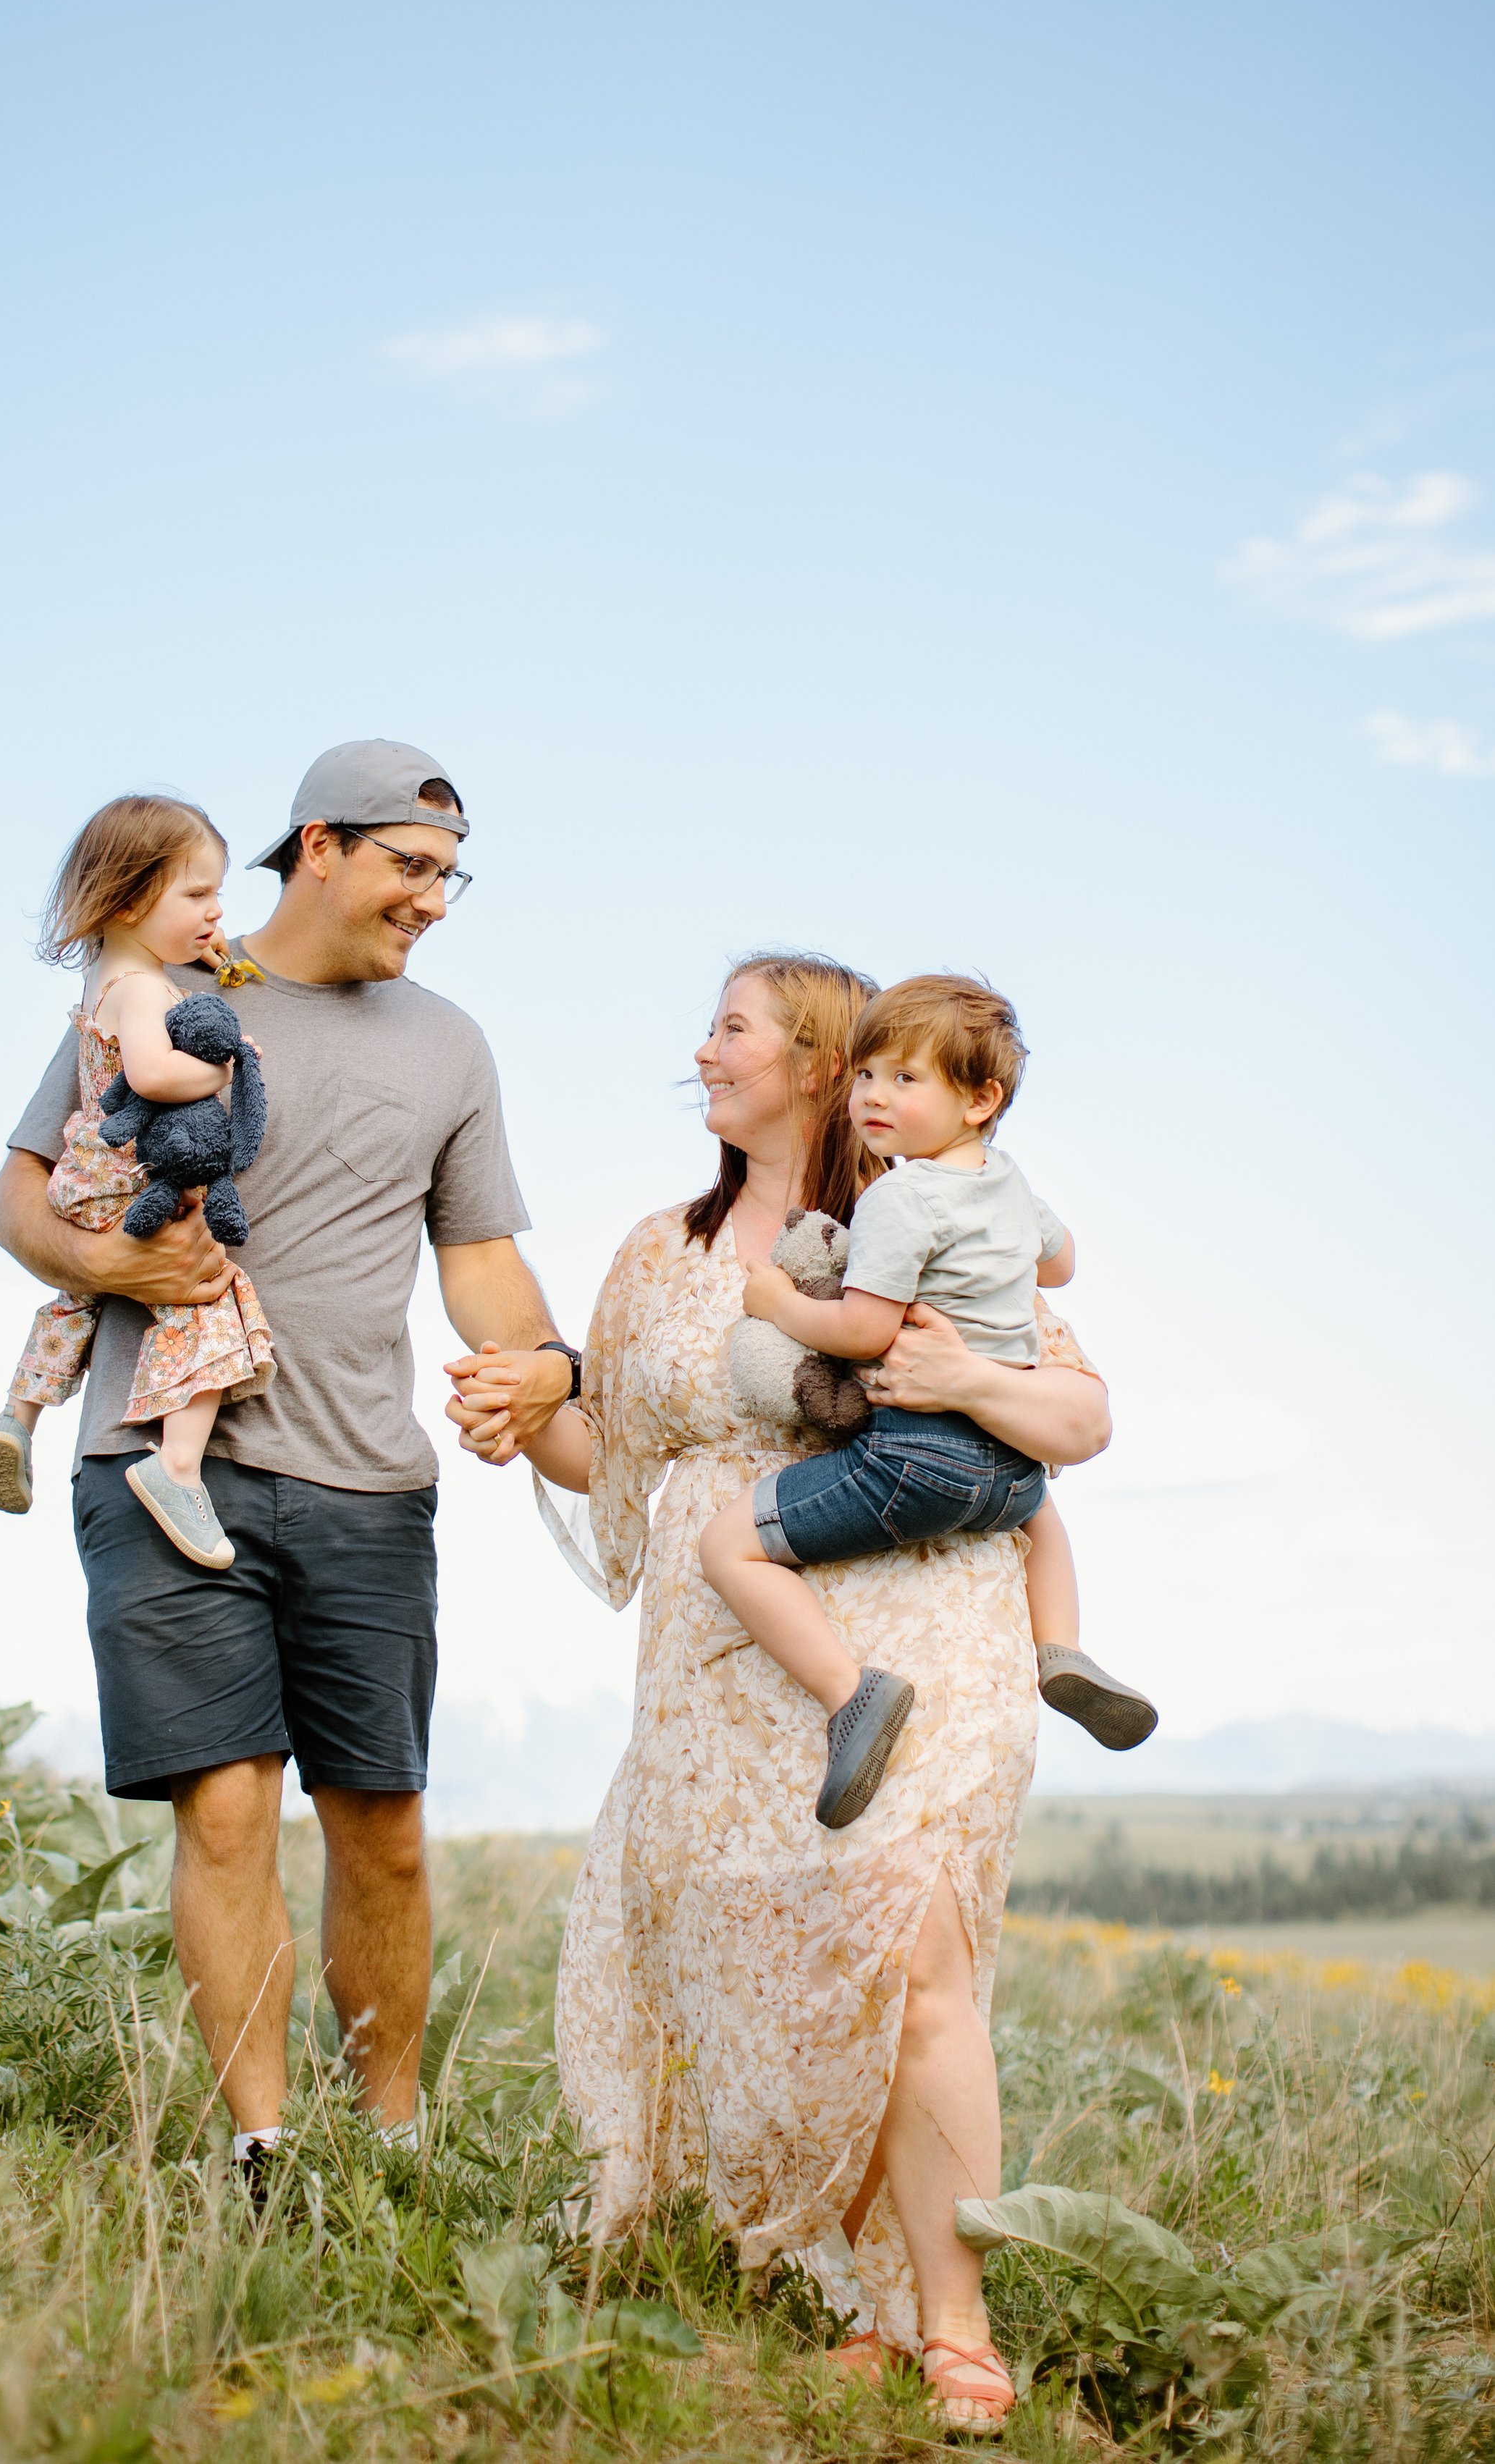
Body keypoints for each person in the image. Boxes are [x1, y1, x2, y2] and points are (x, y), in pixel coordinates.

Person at [444, 953, 1113, 2434]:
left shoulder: (918, 1221)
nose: (700, 1053)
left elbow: (1074, 1414)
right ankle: (839, 2286)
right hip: (715, 1656)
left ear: (816, 1060)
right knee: (770, 1970)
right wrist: (522, 1421)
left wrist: (959, 1381)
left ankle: (952, 2328)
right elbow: (618, 1457)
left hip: (919, 1619)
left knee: (914, 1945)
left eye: (729, 1029)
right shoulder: (651, 1255)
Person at [0, 741, 574, 2169]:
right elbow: (17, 1199)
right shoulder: (171, 985)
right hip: (154, 1459)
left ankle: (387, 2140)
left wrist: (548, 1381)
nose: (433, 900)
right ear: (317, 845)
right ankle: (263, 2153)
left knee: (378, 1823)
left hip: (365, 1478)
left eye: (451, 876)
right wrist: (112, 1270)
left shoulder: (451, 1046)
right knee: (228, 1803)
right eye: (409, 867)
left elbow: (480, 1263)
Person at [699, 971, 1154, 1830]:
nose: (873, 1096)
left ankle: (852, 1694)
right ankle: (1059, 1648)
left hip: (915, 1457)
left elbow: (865, 1331)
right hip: (1012, 1469)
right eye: (867, 1074)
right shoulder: (1009, 1183)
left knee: (727, 1547)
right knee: (1041, 1519)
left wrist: (779, 1306)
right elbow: (1060, 1264)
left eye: (906, 1080)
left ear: (980, 1099)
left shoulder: (897, 1196)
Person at [0, 794, 277, 1569]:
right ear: (133, 899)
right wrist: (220, 1063)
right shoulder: (145, 989)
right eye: (198, 894)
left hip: (84, 1177)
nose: (217, 911)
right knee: (209, 1302)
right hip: (129, 1179)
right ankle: (175, 1466)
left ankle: (19, 1414)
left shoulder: (114, 972)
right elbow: (148, 1068)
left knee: (78, 1296)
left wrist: (207, 958)